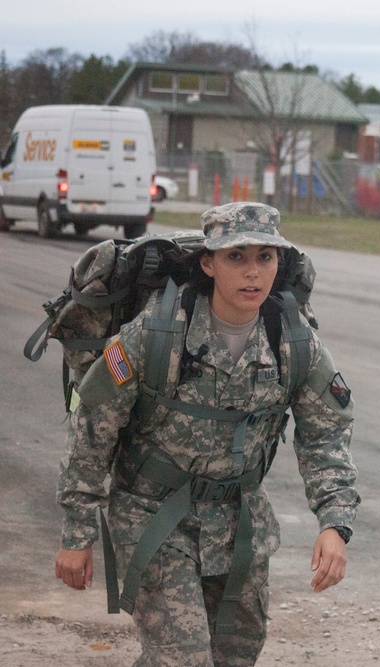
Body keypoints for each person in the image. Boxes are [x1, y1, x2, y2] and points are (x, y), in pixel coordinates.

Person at [55, 202, 360, 666]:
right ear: (208, 262)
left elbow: (325, 434)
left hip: (239, 523)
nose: (253, 273)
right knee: (182, 657)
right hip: (152, 514)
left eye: (265, 257)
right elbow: (93, 426)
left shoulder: (294, 342)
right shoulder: (156, 334)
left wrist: (335, 523)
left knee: (235, 656)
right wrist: (77, 533)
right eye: (236, 257)